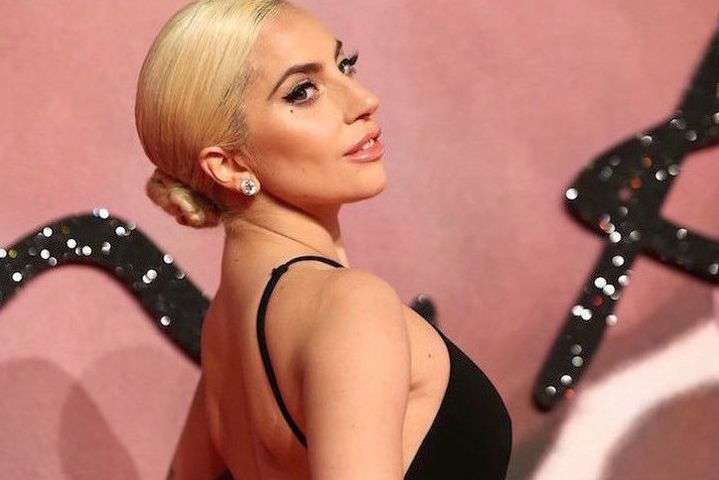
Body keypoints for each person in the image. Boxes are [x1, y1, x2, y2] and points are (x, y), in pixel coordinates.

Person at [135, 1, 512, 479]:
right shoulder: (347, 306)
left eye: (345, 65)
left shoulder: (223, 329)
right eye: (303, 91)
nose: (364, 99)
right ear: (228, 165)